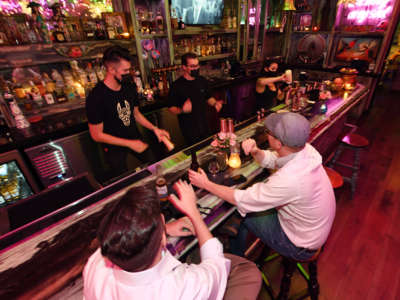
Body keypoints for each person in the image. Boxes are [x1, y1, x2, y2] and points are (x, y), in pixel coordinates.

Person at [189, 112, 336, 261]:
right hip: (312, 231)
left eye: (269, 132)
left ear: (278, 143)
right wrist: (256, 151)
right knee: (246, 209)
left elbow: (241, 198)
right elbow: (275, 159)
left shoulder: (290, 179)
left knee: (241, 213)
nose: (267, 134)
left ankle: (238, 261)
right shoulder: (305, 150)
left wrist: (205, 184)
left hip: (300, 246)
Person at [83, 182, 261, 300]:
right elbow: (216, 264)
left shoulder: (96, 263)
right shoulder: (184, 286)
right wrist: (193, 212)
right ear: (161, 239)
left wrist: (164, 229)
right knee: (248, 271)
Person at [86, 46, 170, 174]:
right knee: (123, 180)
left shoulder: (129, 87)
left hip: (135, 137)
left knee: (156, 169)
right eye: (125, 70)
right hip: (114, 147)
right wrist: (129, 143)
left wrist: (155, 129)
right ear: (111, 69)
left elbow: (136, 114)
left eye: (129, 69)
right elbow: (96, 135)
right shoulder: (96, 97)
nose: (129, 73)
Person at [168, 52, 223, 145]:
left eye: (197, 65)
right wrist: (182, 110)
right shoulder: (176, 85)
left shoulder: (202, 80)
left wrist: (215, 103)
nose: (196, 69)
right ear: (184, 67)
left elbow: (208, 97)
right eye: (192, 66)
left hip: (205, 124)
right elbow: (171, 108)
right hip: (189, 129)